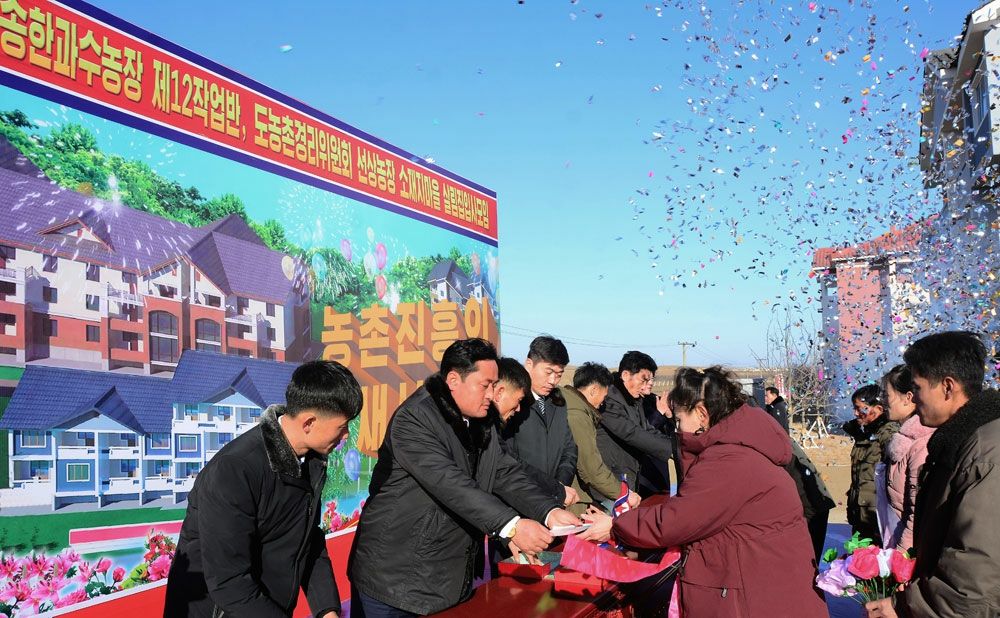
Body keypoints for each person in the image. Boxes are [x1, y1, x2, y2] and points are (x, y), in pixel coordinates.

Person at [348, 338, 580, 617]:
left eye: (494, 385)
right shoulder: (416, 418)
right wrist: (512, 526)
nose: (492, 394)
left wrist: (549, 511)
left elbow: (505, 472)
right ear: (454, 380)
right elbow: (452, 484)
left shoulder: (481, 420)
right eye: (486, 385)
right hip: (395, 580)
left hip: (446, 576)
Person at [579, 366, 826, 617]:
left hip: (756, 599)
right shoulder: (740, 447)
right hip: (766, 587)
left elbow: (676, 520)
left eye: (678, 420)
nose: (677, 430)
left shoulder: (729, 459)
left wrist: (617, 526)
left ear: (701, 414)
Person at [163, 360, 362, 618]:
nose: (346, 435)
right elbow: (230, 584)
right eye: (342, 427)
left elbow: (308, 541)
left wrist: (327, 610)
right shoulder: (235, 470)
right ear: (309, 423)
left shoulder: (310, 462)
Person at [866, 331, 1000, 618]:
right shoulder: (958, 443)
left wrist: (904, 608)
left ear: (948, 387)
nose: (914, 398)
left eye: (918, 387)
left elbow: (973, 576)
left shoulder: (985, 454)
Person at [501, 336, 579, 503]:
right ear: (529, 364)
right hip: (521, 497)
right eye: (548, 372)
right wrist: (550, 487)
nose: (552, 381)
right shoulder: (514, 405)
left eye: (559, 375)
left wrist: (560, 485)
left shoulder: (558, 402)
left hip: (555, 498)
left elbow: (569, 449)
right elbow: (508, 458)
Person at [563, 362, 640, 515]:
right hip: (573, 499)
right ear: (593, 390)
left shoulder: (571, 407)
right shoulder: (578, 416)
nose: (602, 403)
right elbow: (591, 468)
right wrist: (623, 494)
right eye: (604, 397)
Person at [596, 351, 674, 492]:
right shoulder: (608, 399)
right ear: (626, 375)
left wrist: (676, 445)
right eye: (643, 380)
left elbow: (647, 429)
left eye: (650, 380)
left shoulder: (635, 400)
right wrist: (672, 450)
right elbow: (631, 432)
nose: (647, 386)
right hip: (612, 477)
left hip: (630, 474)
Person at [879, 364, 934, 551]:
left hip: (908, 551)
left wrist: (901, 557)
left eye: (887, 395)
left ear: (908, 398)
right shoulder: (901, 440)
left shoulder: (921, 445)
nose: (883, 402)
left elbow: (916, 512)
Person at [844, 384, 899, 547]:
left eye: (860, 408)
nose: (855, 413)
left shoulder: (889, 435)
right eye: (854, 408)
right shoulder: (865, 434)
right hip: (860, 517)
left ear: (879, 409)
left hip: (877, 520)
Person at [785, 438, 836, 563]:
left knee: (806, 563)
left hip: (811, 507)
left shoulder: (779, 447)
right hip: (814, 505)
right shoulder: (781, 442)